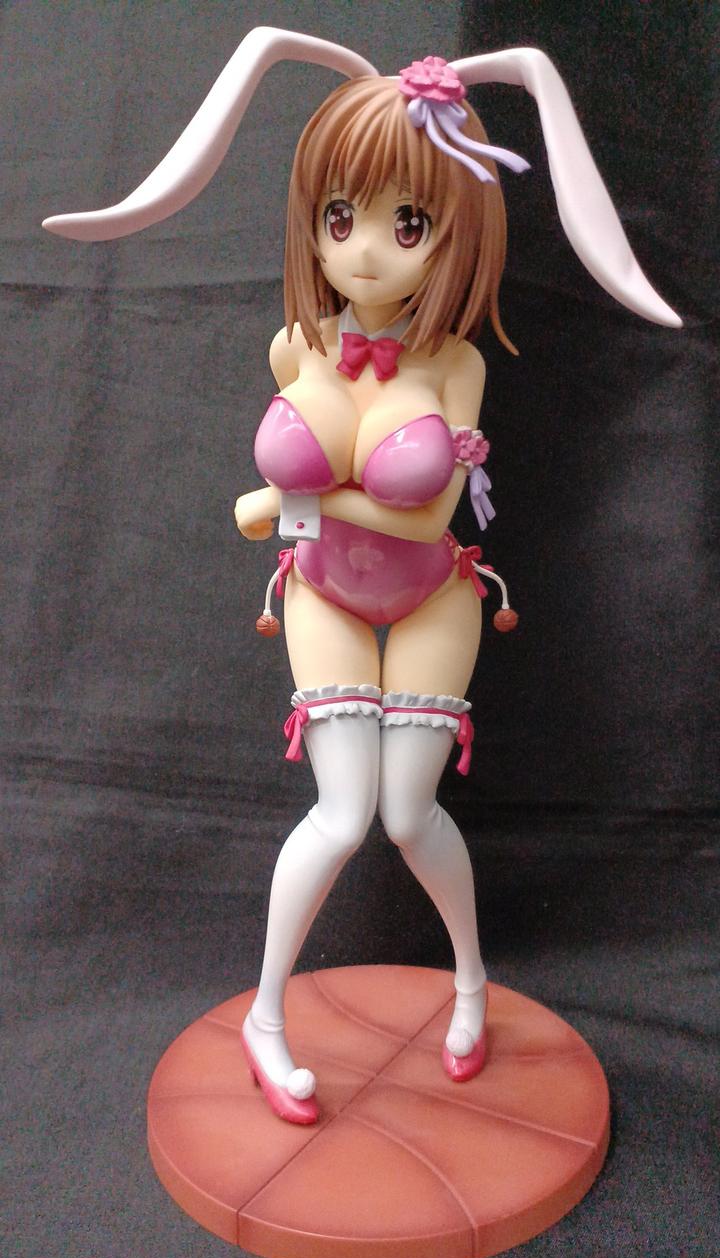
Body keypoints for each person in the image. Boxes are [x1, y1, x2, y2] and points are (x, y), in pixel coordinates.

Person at [43, 28, 680, 1126]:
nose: (368, 251)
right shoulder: (298, 345)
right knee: (343, 816)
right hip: (325, 596)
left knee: (409, 811)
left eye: (408, 223)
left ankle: (470, 981)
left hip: (434, 593)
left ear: (455, 231)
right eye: (341, 218)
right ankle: (268, 1016)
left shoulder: (456, 363)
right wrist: (294, 513)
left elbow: (427, 510)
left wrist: (284, 506)